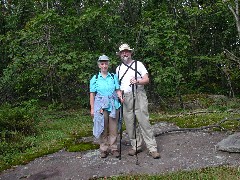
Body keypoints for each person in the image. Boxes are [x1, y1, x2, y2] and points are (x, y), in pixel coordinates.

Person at [116, 43, 161, 159]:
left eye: (127, 51)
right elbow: (118, 86)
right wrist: (119, 94)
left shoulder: (138, 64)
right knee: (130, 123)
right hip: (125, 98)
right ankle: (136, 146)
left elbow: (146, 79)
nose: (125, 53)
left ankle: (152, 148)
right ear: (120, 54)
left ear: (130, 53)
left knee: (143, 121)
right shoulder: (118, 68)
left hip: (138, 95)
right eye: (122, 52)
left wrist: (138, 81)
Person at [90, 55, 123, 158]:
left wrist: (120, 97)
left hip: (114, 105)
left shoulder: (113, 76)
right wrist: (92, 108)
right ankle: (104, 148)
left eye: (106, 63)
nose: (104, 65)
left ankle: (114, 148)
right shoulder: (95, 78)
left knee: (113, 129)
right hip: (100, 107)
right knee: (102, 128)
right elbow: (92, 94)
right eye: (102, 63)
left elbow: (117, 90)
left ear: (108, 64)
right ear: (99, 65)